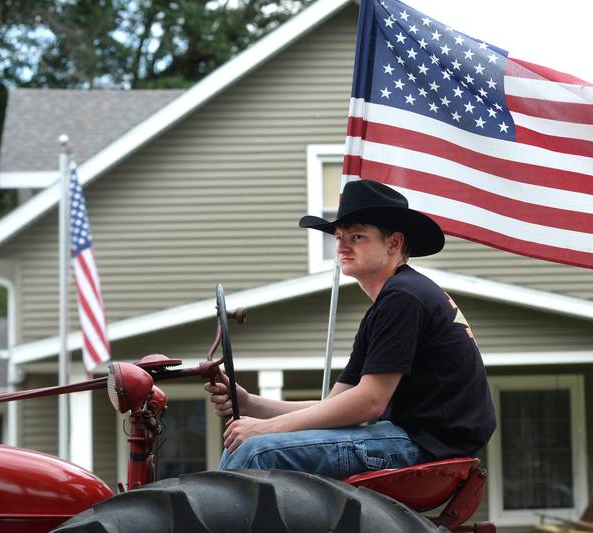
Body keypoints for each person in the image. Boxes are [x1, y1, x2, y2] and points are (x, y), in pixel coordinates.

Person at [206, 179, 496, 478]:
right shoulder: (391, 302)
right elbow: (336, 405)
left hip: (425, 445)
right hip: (412, 439)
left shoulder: (403, 297)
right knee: (246, 443)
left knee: (254, 451)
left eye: (357, 236)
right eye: (339, 236)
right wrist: (251, 403)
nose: (342, 246)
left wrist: (265, 429)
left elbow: (369, 403)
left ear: (394, 243)